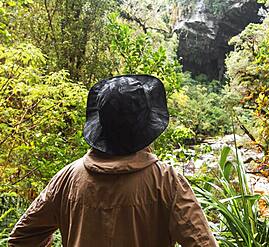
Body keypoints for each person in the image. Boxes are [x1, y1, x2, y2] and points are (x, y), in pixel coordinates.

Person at [8, 75, 218, 247]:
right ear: (147, 125)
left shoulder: (67, 179)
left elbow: (21, 239)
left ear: (101, 125)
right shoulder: (166, 182)